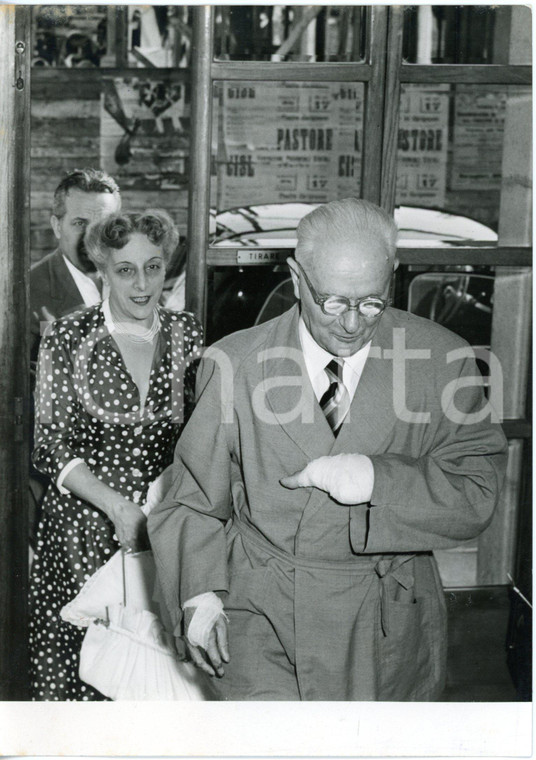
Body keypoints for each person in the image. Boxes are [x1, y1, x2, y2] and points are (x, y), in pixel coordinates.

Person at [148, 197, 508, 701]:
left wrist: (376, 480)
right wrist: (199, 593)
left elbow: (478, 493)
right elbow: (191, 501)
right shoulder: (236, 363)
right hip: (262, 620)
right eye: (333, 301)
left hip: (387, 622)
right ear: (296, 279)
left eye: (371, 301)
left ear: (392, 278)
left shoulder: (442, 360)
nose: (353, 323)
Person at [29, 209, 203, 701]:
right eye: (126, 269)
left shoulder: (187, 332)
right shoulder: (67, 336)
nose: (143, 283)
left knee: (156, 677)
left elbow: (198, 433)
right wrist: (118, 507)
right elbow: (49, 444)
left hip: (162, 526)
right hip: (85, 529)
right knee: (85, 677)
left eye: (153, 266)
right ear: (101, 269)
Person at [29, 168, 122, 548]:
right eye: (80, 222)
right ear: (56, 224)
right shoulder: (26, 293)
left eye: (104, 223)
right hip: (56, 496)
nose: (92, 236)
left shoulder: (135, 284)